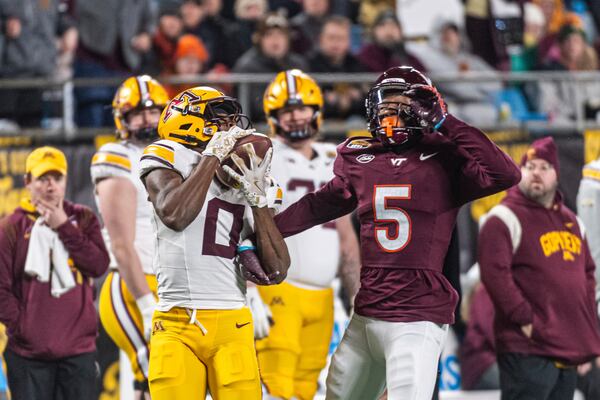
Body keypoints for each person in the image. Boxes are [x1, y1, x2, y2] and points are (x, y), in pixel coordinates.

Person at [264, 65, 521, 399]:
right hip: (367, 313)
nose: (388, 113)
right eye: (383, 105)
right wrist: (263, 234)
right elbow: (318, 205)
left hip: (417, 315)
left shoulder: (445, 156)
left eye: (399, 105)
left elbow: (505, 174)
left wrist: (447, 122)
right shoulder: (361, 157)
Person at [139, 86, 290, 399]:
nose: (229, 130)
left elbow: (277, 270)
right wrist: (210, 157)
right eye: (220, 120)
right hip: (176, 321)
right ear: (186, 119)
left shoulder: (244, 169)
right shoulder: (166, 155)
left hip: (232, 320)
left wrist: (259, 200)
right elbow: (175, 214)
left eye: (232, 121)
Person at [257, 69, 360, 400]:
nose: (295, 116)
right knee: (275, 386)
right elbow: (250, 223)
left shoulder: (333, 157)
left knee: (306, 387)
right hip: (279, 290)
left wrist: (356, 291)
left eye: (301, 108)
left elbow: (345, 233)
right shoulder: (264, 154)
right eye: (287, 110)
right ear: (274, 117)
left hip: (324, 294)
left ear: (316, 110)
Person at [478, 137, 600, 400]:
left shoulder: (573, 222)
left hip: (565, 345)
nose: (536, 173)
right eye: (530, 166)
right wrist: (524, 318)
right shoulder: (503, 218)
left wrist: (583, 330)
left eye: (544, 167)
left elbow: (588, 275)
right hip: (526, 347)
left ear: (557, 174)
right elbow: (495, 274)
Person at [0, 146, 110, 399]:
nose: (50, 186)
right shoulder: (10, 227)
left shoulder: (83, 218)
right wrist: (24, 327)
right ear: (28, 182)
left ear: (65, 181)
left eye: (57, 178)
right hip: (28, 356)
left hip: (78, 352)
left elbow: (98, 265)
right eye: (42, 179)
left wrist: (63, 226)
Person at [92, 75, 169, 398]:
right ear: (122, 119)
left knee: (161, 377)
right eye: (137, 113)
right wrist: (145, 301)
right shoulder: (117, 156)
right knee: (157, 371)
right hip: (131, 285)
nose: (146, 120)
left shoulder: (178, 155)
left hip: (171, 283)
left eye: (153, 112)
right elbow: (122, 244)